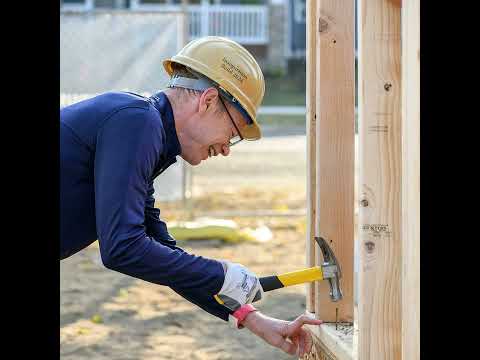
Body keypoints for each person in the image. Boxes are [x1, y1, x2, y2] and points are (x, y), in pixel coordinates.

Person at [60, 36, 322, 357]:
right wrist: (220, 274)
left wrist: (249, 316)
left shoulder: (141, 128)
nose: (226, 148)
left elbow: (159, 252)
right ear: (209, 100)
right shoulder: (136, 122)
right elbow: (122, 247)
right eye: (234, 131)